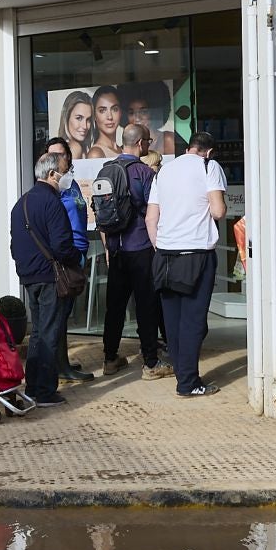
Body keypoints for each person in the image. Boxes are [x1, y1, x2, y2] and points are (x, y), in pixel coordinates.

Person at [146, 131, 228, 398]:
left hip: (165, 255)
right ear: (209, 151)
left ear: (189, 147)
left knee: (173, 321)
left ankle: (184, 378)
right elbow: (218, 211)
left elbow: (150, 219)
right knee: (193, 321)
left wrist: (162, 245)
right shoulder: (209, 166)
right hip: (197, 254)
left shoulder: (164, 172)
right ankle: (189, 383)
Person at [97, 123, 167, 379]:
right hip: (140, 247)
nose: (149, 145)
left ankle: (109, 358)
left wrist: (107, 246)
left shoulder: (105, 170)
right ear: (140, 144)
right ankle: (150, 362)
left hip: (115, 249)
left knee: (114, 306)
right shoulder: (143, 173)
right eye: (147, 141)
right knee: (146, 305)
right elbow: (155, 211)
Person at [11, 154, 78, 407]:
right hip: (50, 276)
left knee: (39, 332)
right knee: (49, 332)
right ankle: (45, 391)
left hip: (30, 276)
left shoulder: (22, 203)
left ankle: (34, 385)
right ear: (52, 175)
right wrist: (75, 259)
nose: (68, 174)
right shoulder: (52, 202)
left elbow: (14, 243)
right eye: (65, 170)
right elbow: (62, 245)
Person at [44, 137, 95, 384]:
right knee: (60, 314)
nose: (57, 159)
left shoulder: (71, 183)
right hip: (67, 255)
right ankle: (59, 365)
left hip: (79, 251)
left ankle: (61, 360)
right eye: (52, 155)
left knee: (67, 312)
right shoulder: (52, 189)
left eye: (61, 154)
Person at [57, 90, 96, 159]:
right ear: (67, 118)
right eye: (79, 118)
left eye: (88, 120)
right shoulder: (75, 148)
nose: (85, 126)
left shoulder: (63, 147)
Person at [89, 85, 125, 159]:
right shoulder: (96, 154)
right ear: (94, 115)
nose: (110, 117)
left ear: (121, 112)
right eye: (102, 110)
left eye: (115, 109)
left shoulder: (122, 150)